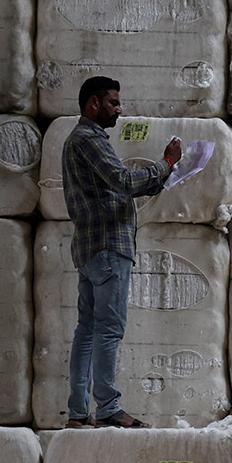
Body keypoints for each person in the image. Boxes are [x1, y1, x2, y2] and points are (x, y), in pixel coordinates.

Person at [61, 75, 183, 429]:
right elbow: (124, 182)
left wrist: (160, 177)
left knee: (87, 330)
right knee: (109, 329)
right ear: (93, 104)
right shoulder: (88, 139)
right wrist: (167, 163)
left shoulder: (77, 141)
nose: (119, 109)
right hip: (108, 248)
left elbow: (114, 189)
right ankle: (109, 408)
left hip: (88, 250)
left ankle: (78, 413)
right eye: (113, 103)